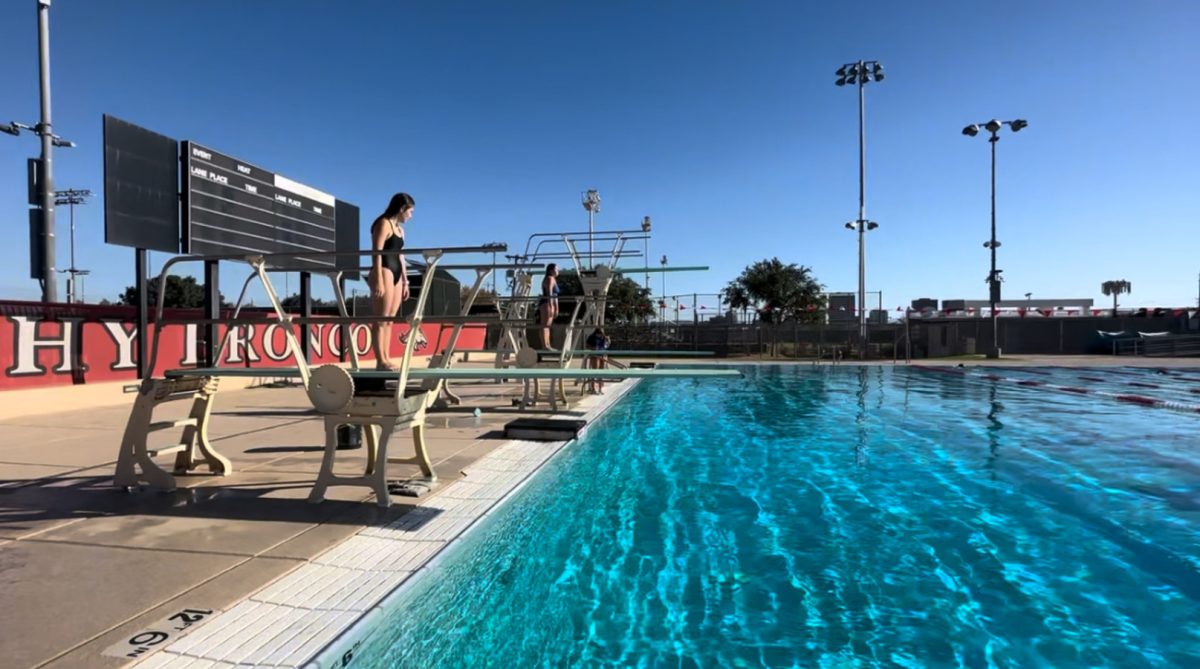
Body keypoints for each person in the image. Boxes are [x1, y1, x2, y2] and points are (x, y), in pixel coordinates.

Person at [368, 192, 415, 370]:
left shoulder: (400, 229)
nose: (410, 217)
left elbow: (401, 256)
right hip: (384, 270)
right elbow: (376, 252)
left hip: (396, 273)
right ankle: (380, 360)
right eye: (410, 212)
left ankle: (386, 358)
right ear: (402, 209)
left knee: (389, 320)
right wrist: (379, 278)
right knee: (381, 318)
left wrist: (405, 281)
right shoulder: (383, 223)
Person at [537, 263, 560, 350]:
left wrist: (556, 308)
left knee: (548, 326)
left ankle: (548, 344)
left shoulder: (554, 279)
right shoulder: (550, 279)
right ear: (551, 270)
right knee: (545, 325)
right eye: (556, 269)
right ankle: (545, 345)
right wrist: (550, 306)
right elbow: (549, 293)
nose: (558, 271)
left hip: (552, 303)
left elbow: (555, 296)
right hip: (546, 303)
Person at [584, 326, 610, 394]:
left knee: (601, 372)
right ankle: (593, 388)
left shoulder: (603, 337)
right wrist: (592, 348)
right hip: (595, 355)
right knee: (595, 372)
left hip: (602, 354)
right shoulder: (592, 337)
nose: (601, 332)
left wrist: (608, 341)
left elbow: (606, 345)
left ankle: (600, 388)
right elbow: (587, 345)